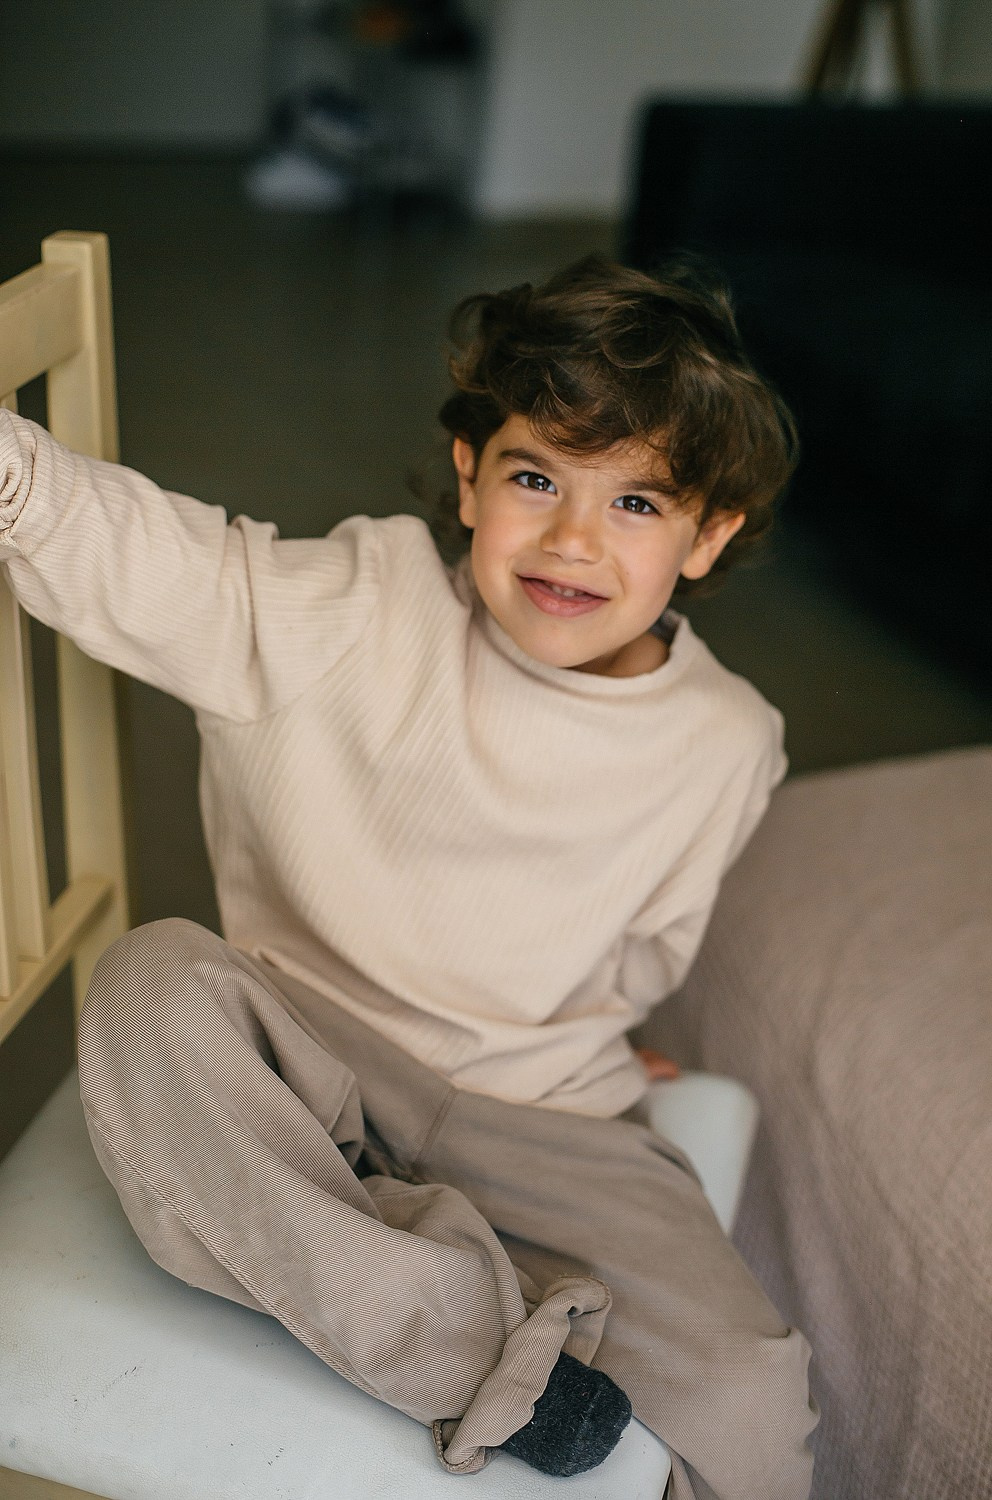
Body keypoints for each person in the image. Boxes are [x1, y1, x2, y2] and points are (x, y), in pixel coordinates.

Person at [0, 255, 817, 1499]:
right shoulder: (349, 605)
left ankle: (365, 1254)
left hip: (549, 1122)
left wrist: (605, 1040)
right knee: (152, 978)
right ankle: (465, 1345)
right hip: (304, 1069)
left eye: (637, 506)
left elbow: (643, 948)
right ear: (468, 480)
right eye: (534, 477)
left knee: (754, 1388)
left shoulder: (730, 740)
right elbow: (145, 557)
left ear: (709, 537)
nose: (571, 540)